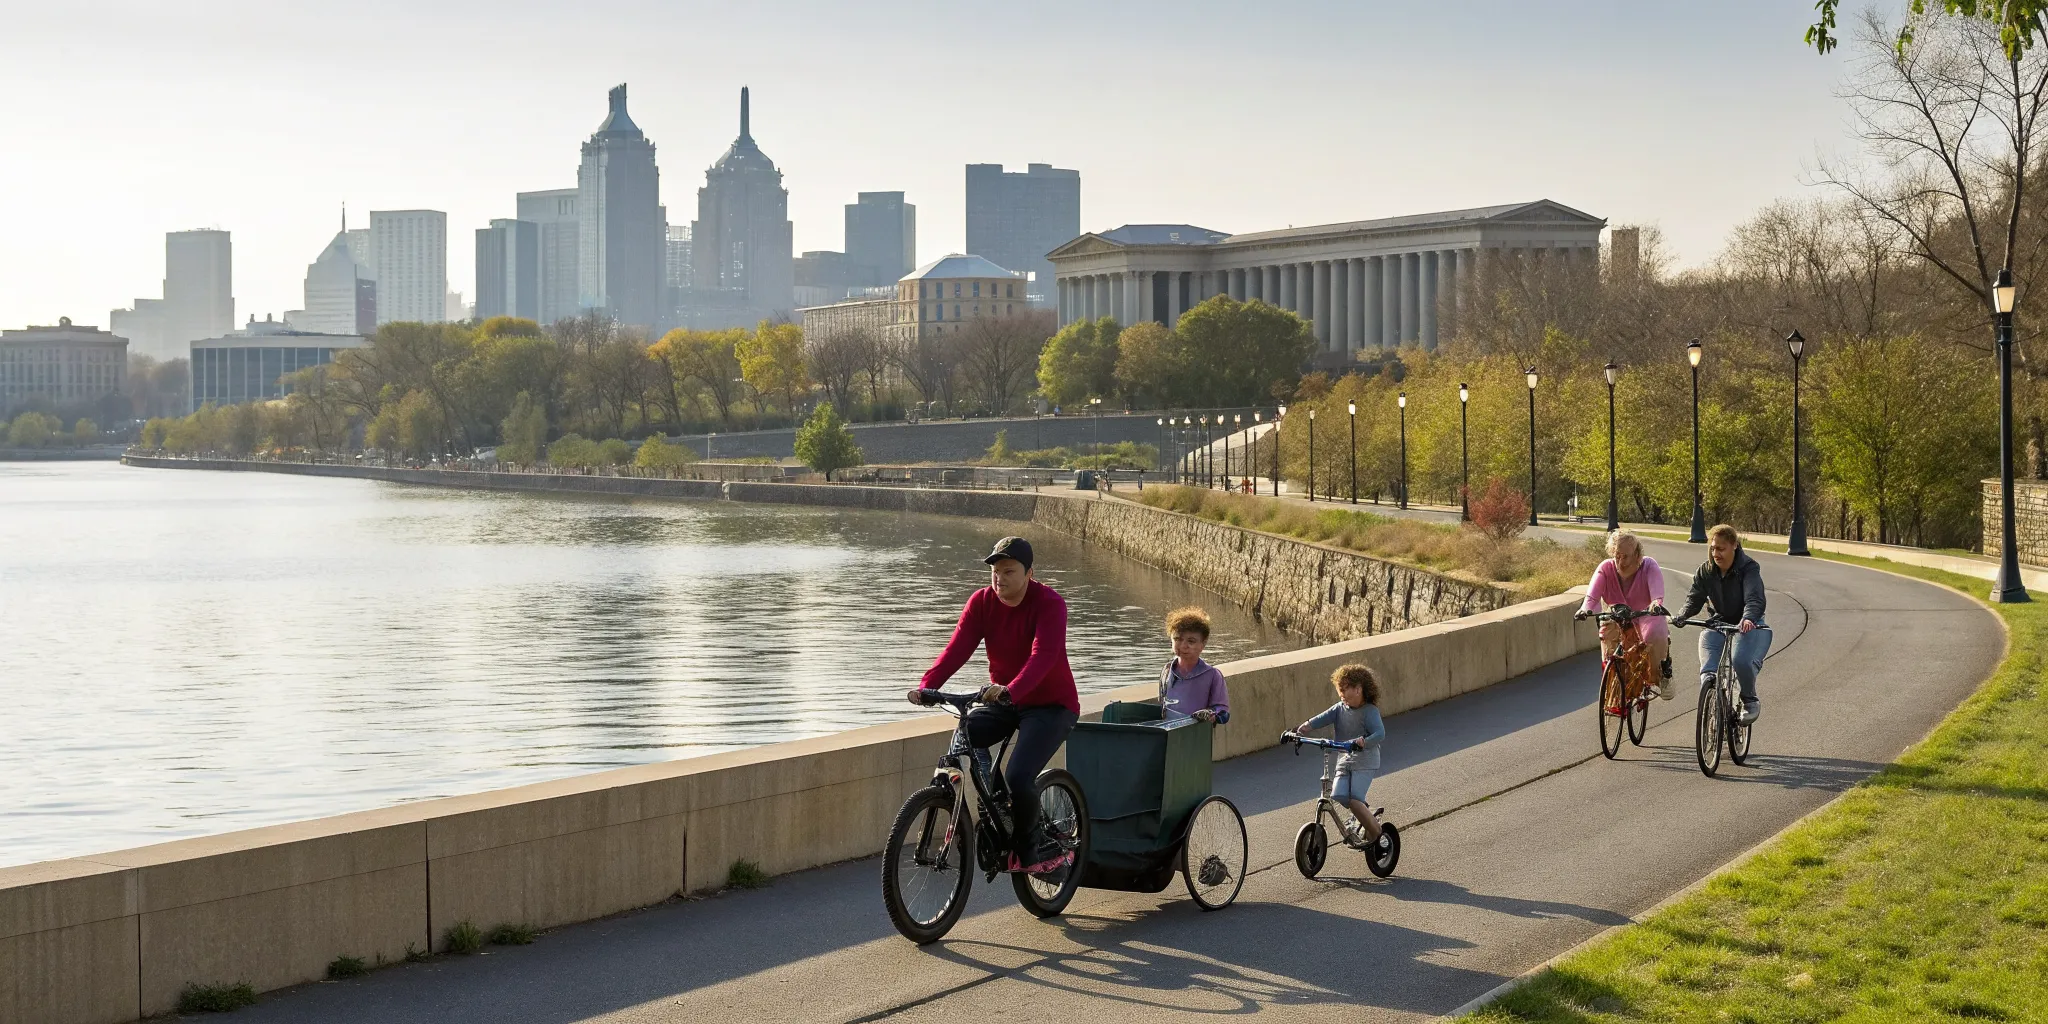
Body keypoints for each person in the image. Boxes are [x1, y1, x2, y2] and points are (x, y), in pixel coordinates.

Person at [908, 536, 1080, 873]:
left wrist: (1011, 690)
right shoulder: (982, 603)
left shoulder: (1049, 603)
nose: (999, 578)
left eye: (1008, 571)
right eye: (995, 571)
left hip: (1051, 706)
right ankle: (998, 807)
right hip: (1006, 699)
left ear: (1030, 572)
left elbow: (1043, 656)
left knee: (1019, 775)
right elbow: (957, 648)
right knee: (966, 736)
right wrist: (928, 686)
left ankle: (1035, 851)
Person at [1673, 523, 1770, 723]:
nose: (1716, 553)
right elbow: (1694, 598)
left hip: (1746, 624)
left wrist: (1748, 618)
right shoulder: (1706, 570)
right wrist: (1682, 614)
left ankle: (1749, 699)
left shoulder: (1748, 568)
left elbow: (1754, 598)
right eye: (1713, 548)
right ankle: (1713, 700)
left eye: (1721, 548)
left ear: (1734, 545)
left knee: (1741, 661)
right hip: (1718, 623)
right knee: (1708, 670)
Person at [1295, 664, 1389, 851]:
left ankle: (1380, 838)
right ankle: (1366, 816)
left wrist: (1364, 741)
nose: (1341, 694)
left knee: (1354, 799)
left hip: (1365, 761)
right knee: (1338, 794)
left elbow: (1380, 734)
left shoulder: (1370, 711)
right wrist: (1302, 729)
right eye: (1340, 690)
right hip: (1345, 759)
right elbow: (1321, 718)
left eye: (1345, 689)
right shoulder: (1340, 708)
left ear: (1358, 689)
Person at [1573, 529, 1673, 698]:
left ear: (1637, 554)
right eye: (1617, 555)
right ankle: (1618, 696)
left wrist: (1656, 603)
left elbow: (1657, 594)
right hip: (1617, 616)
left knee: (1654, 634)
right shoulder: (1606, 568)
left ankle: (1662, 676)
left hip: (1644, 616)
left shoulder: (1649, 566)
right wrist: (1585, 609)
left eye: (1625, 556)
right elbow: (1592, 595)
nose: (1621, 561)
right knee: (1611, 650)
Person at [1159, 606, 1230, 724]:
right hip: (1169, 735)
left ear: (1203, 643)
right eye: (1177, 639)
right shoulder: (1166, 671)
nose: (1183, 645)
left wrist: (1210, 715)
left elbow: (1223, 712)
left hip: (1197, 736)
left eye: (1191, 641)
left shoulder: (1212, 675)